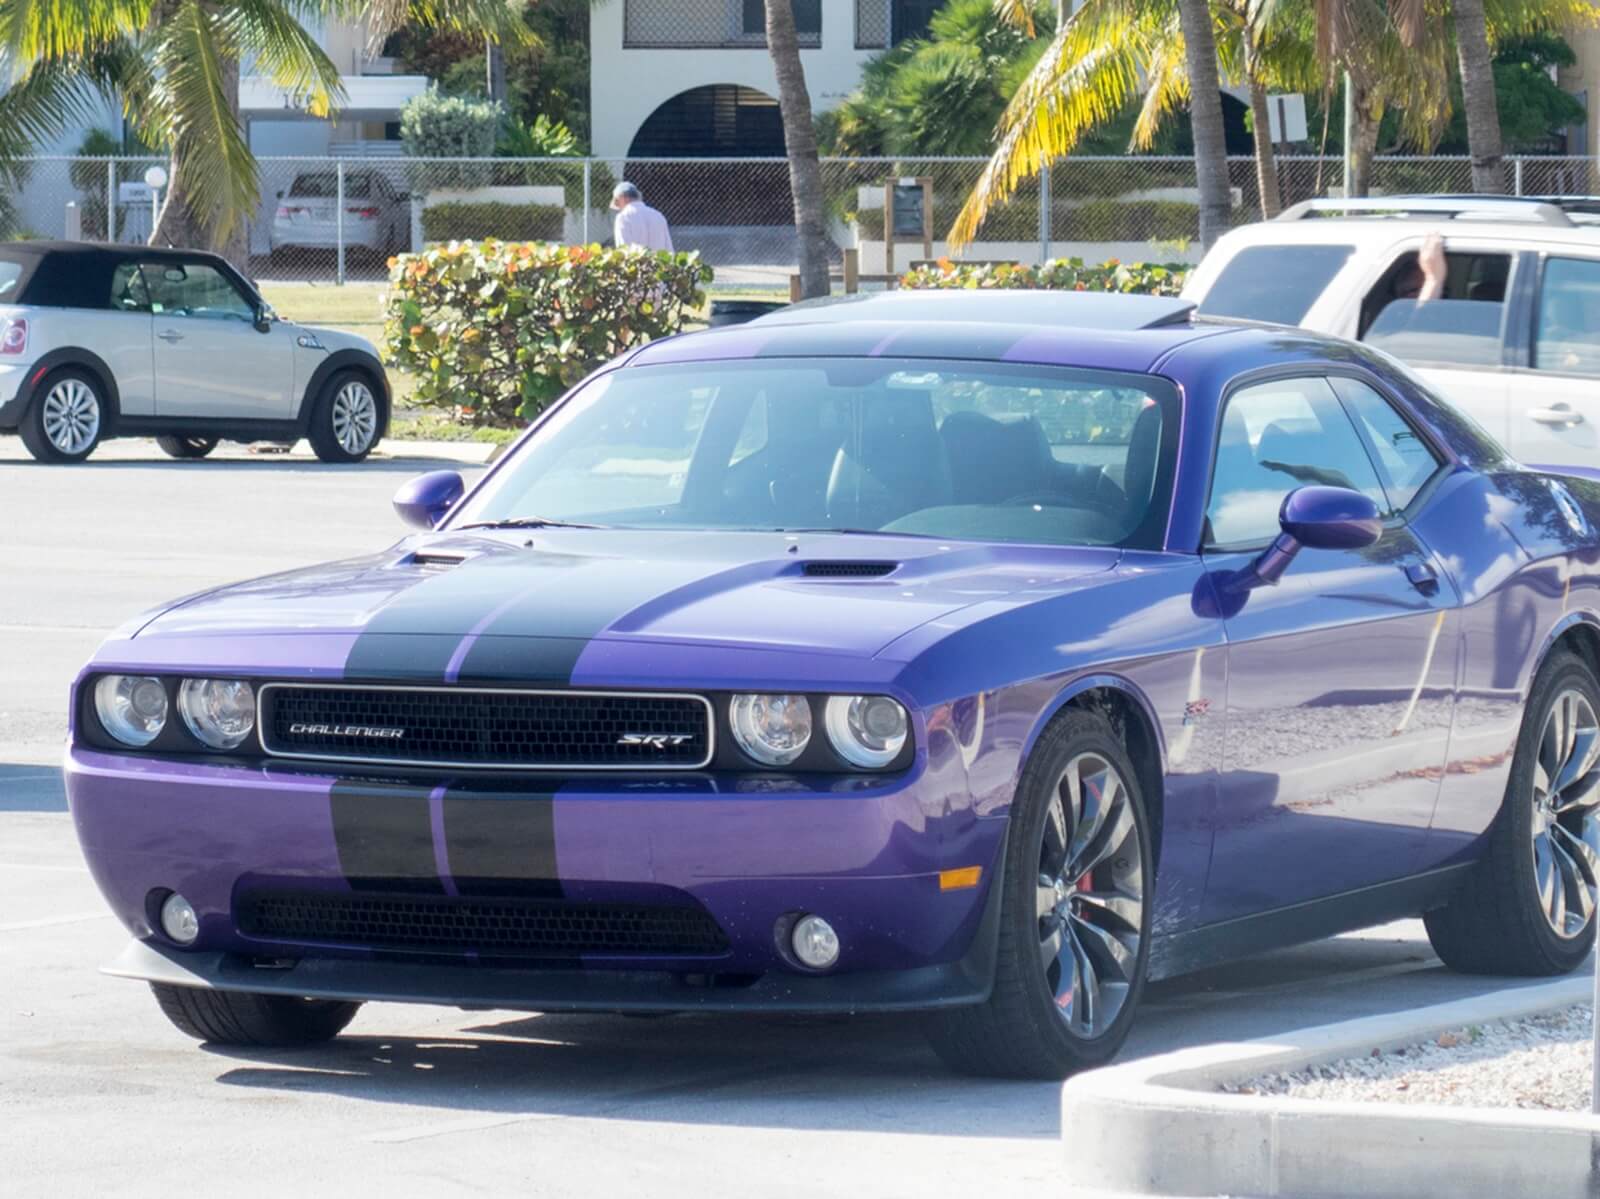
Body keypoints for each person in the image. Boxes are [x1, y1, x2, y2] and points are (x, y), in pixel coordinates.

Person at [611, 182, 674, 252]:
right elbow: (669, 249)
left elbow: (623, 249)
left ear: (623, 198)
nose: (618, 207)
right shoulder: (658, 215)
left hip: (636, 263)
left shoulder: (623, 218)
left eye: (617, 201)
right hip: (659, 262)